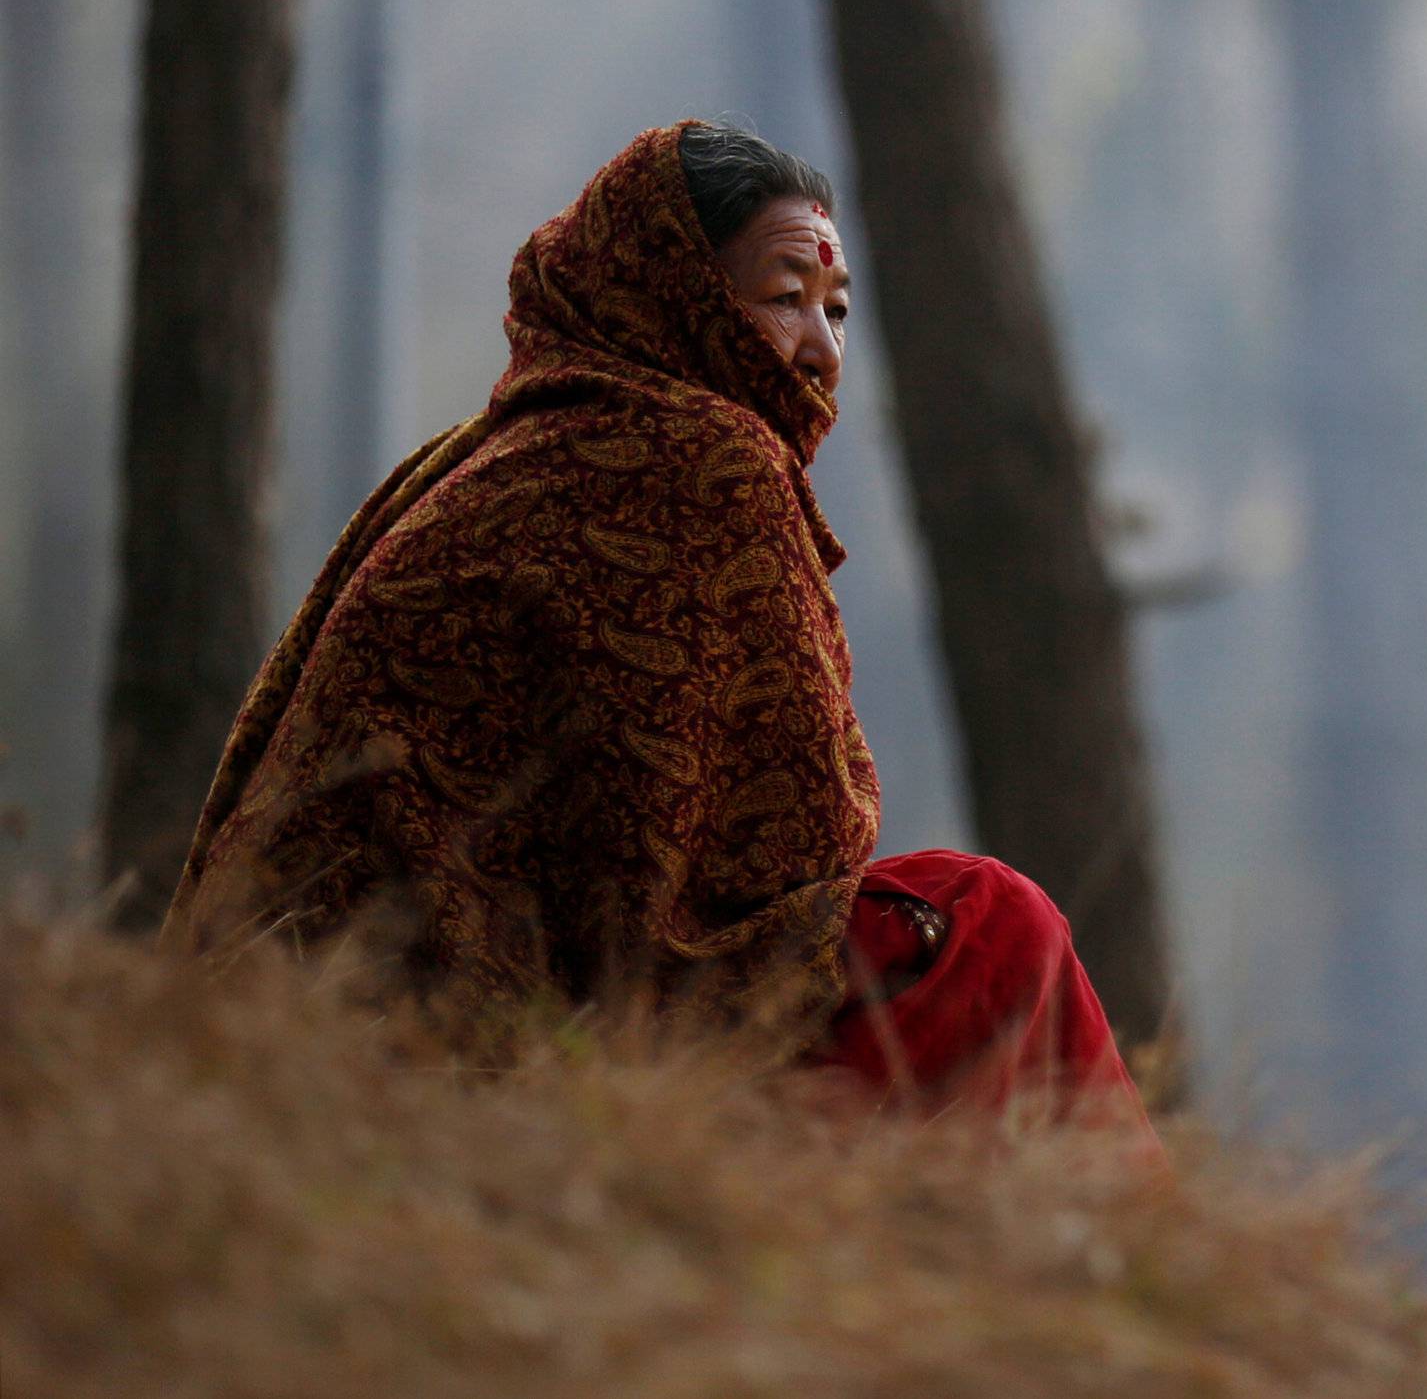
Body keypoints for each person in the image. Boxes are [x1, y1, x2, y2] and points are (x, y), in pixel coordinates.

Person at [165, 121, 1148, 1126]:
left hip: (299, 1040)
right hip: (464, 1074)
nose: (820, 351)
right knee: (995, 925)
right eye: (782, 300)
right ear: (675, 292)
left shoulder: (486, 449)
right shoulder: (707, 456)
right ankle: (1120, 1268)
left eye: (838, 310)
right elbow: (788, 859)